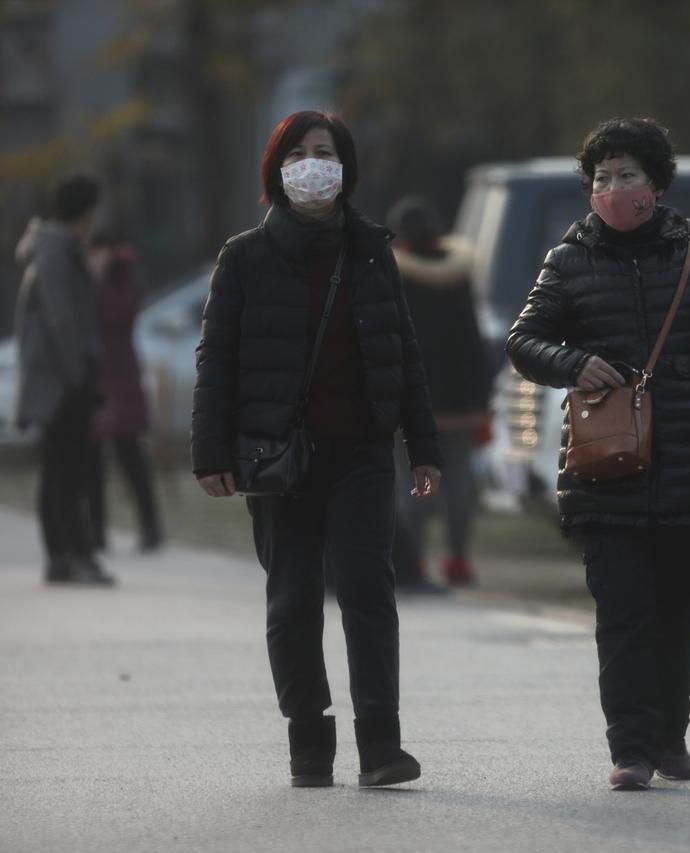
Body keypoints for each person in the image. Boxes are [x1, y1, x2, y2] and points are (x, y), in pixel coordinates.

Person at [507, 117, 690, 791]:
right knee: (623, 613)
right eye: (601, 178)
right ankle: (632, 748)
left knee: (680, 611)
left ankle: (670, 734)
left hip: (688, 460)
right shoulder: (568, 260)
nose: (613, 189)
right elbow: (523, 340)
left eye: (627, 175)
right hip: (604, 467)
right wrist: (575, 361)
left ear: (657, 183)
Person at [191, 110, 443, 788]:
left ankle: (382, 744)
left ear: (345, 168)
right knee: (294, 597)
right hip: (277, 457)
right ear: (277, 170)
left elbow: (404, 353)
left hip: (359, 450)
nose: (312, 163)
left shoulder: (371, 249)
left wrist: (424, 444)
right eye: (299, 152)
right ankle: (309, 738)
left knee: (368, 586)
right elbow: (216, 359)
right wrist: (210, 449)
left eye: (324, 151)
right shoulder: (243, 257)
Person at [385, 196, 491, 592]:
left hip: (411, 399)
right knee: (459, 480)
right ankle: (459, 560)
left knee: (411, 480)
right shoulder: (460, 273)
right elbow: (473, 336)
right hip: (462, 399)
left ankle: (410, 560)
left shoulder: (394, 273)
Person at [14, 175, 114, 586]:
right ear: (86, 212)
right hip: (61, 381)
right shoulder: (55, 250)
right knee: (69, 470)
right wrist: (78, 374)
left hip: (61, 377)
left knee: (60, 468)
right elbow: (62, 317)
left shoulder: (57, 247)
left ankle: (62, 557)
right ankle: (72, 556)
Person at [85, 232, 163, 553]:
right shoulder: (85, 273)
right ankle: (96, 532)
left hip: (121, 374)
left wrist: (99, 279)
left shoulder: (122, 274)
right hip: (93, 375)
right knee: (92, 460)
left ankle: (151, 528)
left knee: (130, 454)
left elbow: (120, 312)